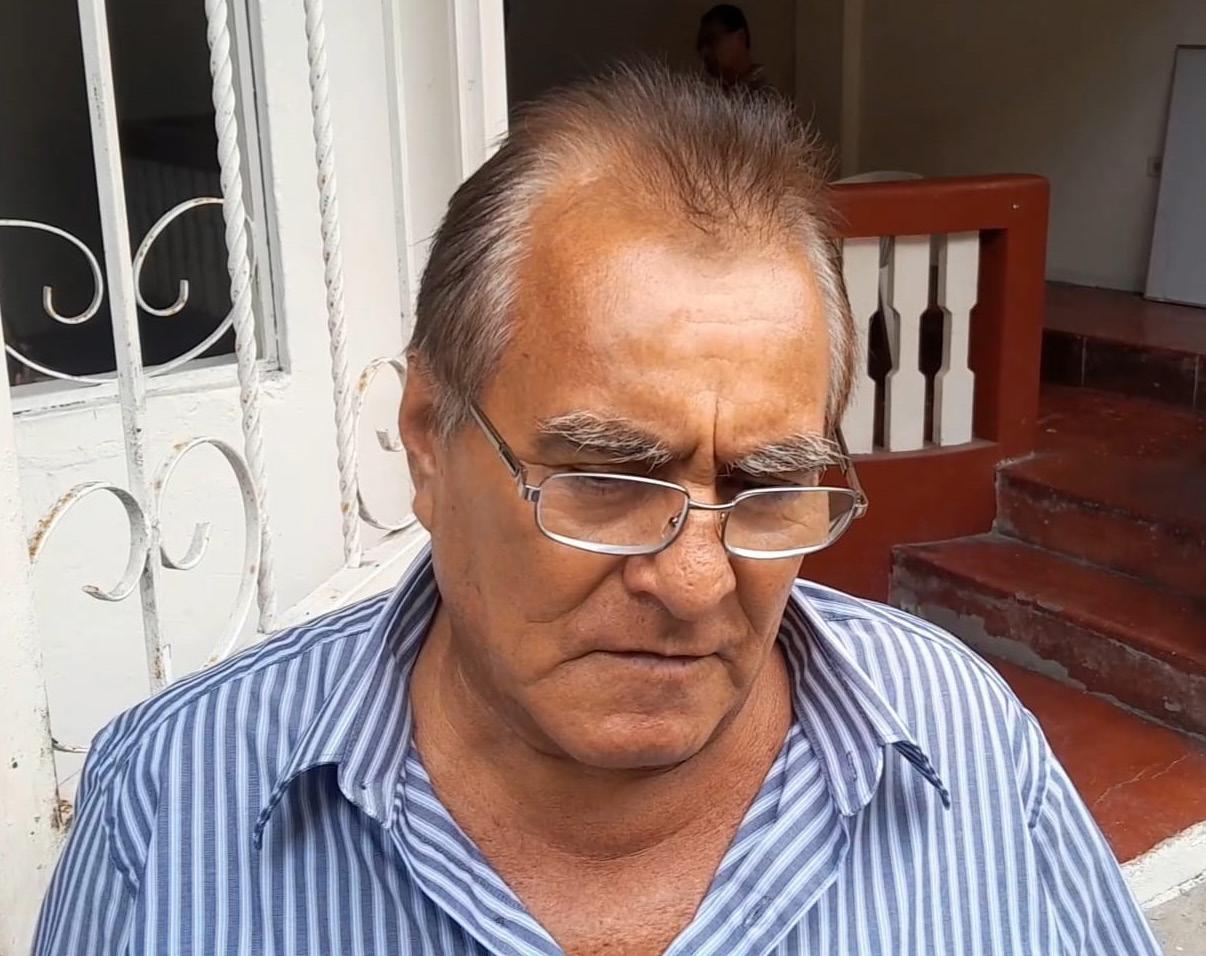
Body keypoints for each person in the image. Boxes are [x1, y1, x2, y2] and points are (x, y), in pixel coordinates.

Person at [33, 66, 1158, 955]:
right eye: (610, 482)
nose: (698, 581)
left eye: (767, 488)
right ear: (427, 438)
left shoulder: (964, 741)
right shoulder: (174, 805)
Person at [696, 4, 769, 93]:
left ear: (740, 37)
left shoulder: (764, 95)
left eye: (711, 41)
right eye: (700, 47)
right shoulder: (712, 93)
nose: (704, 52)